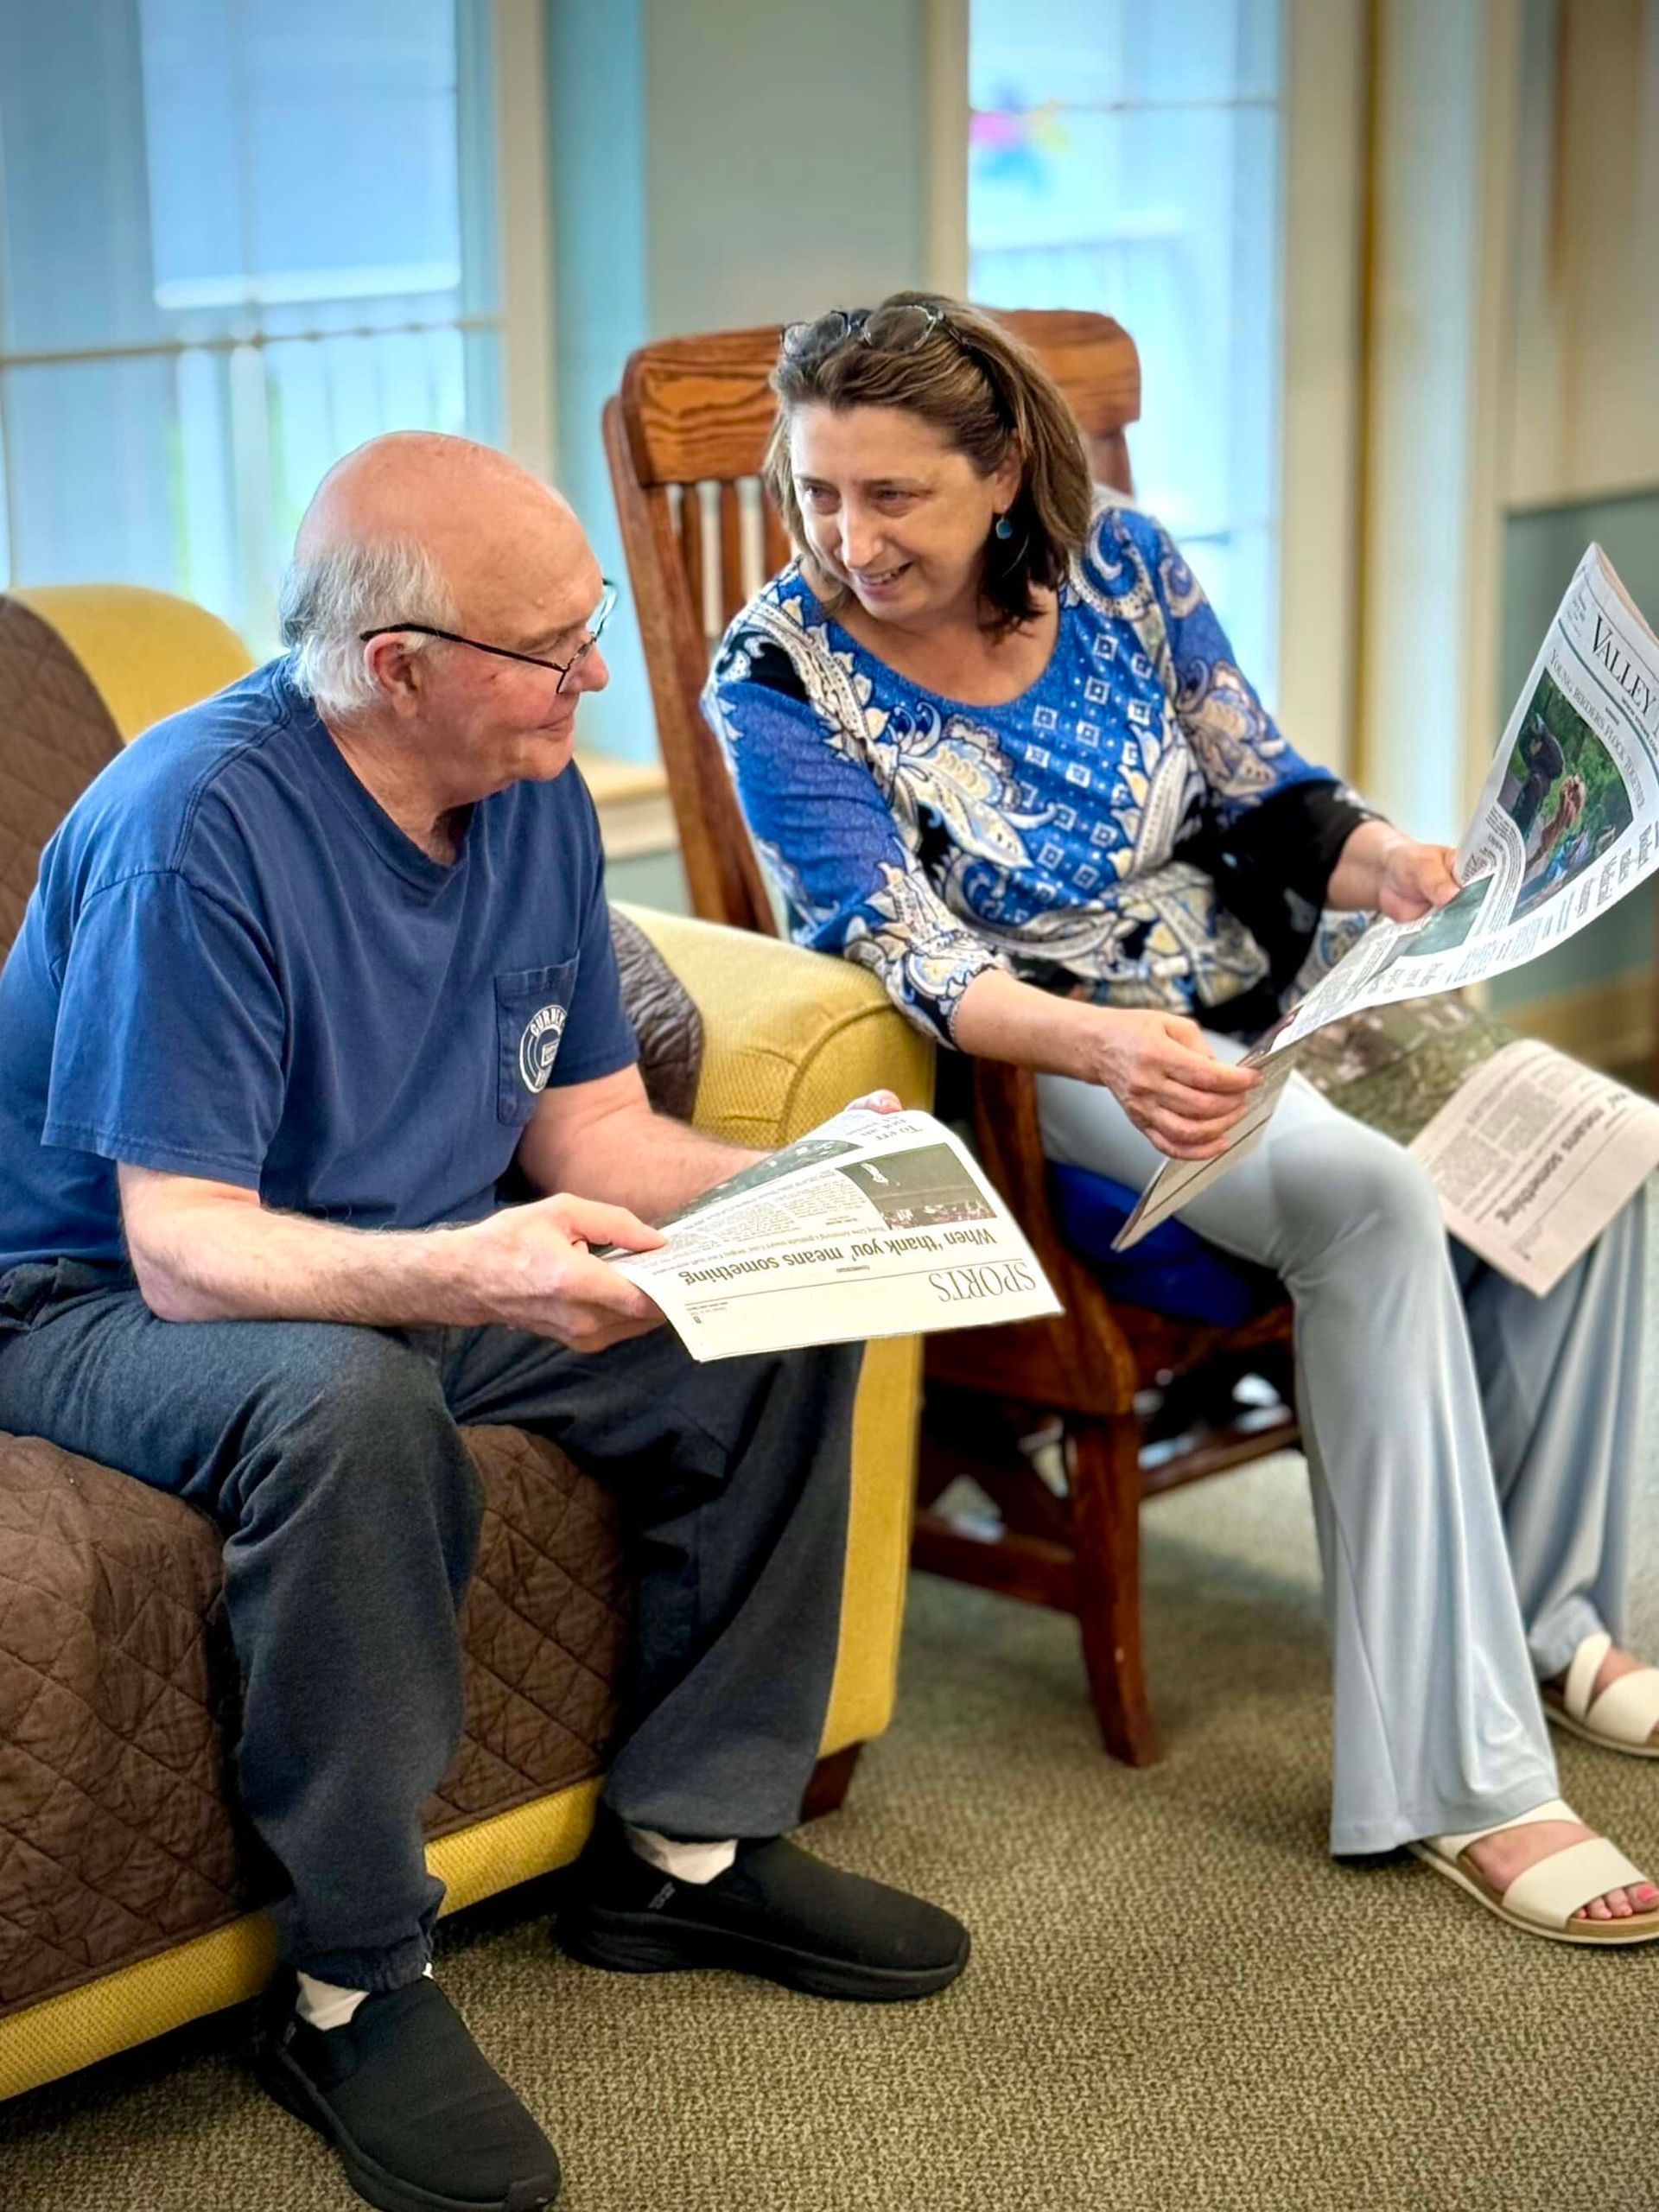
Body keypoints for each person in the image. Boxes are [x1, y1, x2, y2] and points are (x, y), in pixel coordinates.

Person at [0, 433, 968, 2212]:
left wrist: (797, 1186)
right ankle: (351, 1979)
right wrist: (472, 1267)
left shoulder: (522, 788)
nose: (597, 675)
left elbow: (592, 1132)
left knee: (781, 1296)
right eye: (558, 646)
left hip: (396, 1244)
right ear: (402, 668)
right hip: (83, 1297)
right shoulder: (189, 833)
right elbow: (190, 1254)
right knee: (354, 1406)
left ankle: (685, 1843)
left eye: (591, 625)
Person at [702, 293, 1659, 1948]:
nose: (845, 541)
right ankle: (1466, 1785)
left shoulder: (1126, 566)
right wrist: (1109, 1045)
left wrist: (1401, 869)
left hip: (1265, 982)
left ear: (1002, 474)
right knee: (1369, 1204)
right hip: (1041, 1060)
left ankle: (1564, 1614)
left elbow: (1269, 794)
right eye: (815, 494)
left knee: (1598, 1137)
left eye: (890, 496)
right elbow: (903, 954)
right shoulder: (775, 673)